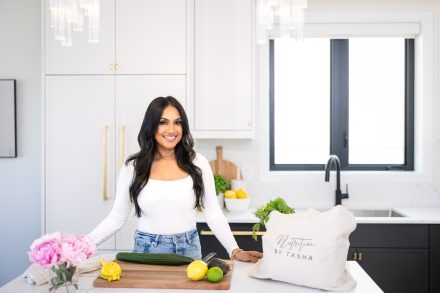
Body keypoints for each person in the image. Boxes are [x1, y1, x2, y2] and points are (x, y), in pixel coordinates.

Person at [88, 96, 263, 262]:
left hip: (189, 250)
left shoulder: (198, 163)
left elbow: (213, 213)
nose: (171, 130)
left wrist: (235, 250)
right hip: (147, 251)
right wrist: (82, 246)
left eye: (177, 122)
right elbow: (116, 218)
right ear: (151, 126)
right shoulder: (133, 167)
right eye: (163, 122)